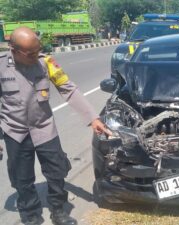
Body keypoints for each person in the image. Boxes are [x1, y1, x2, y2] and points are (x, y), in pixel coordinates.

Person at [0, 27, 112, 225]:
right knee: (22, 178)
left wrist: (93, 118)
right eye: (30, 53)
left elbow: (68, 89)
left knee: (57, 171)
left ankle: (58, 211)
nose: (36, 56)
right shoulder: (1, 67)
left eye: (38, 50)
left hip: (44, 128)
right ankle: (31, 215)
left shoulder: (46, 63)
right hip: (14, 131)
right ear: (14, 50)